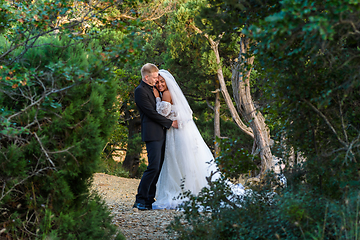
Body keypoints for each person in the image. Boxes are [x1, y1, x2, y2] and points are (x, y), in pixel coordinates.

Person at [151, 69, 221, 210]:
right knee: (186, 159)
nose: (159, 85)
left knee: (177, 160)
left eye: (162, 81)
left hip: (176, 133)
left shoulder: (166, 93)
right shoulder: (173, 94)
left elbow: (162, 112)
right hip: (182, 131)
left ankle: (181, 190)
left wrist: (156, 97)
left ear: (168, 82)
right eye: (157, 82)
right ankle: (192, 188)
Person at [133, 64, 178, 211]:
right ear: (146, 77)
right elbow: (151, 113)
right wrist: (170, 123)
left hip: (161, 132)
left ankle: (149, 199)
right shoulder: (140, 91)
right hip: (152, 133)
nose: (156, 79)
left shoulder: (153, 89)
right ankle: (140, 199)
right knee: (153, 166)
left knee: (158, 167)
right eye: (154, 77)